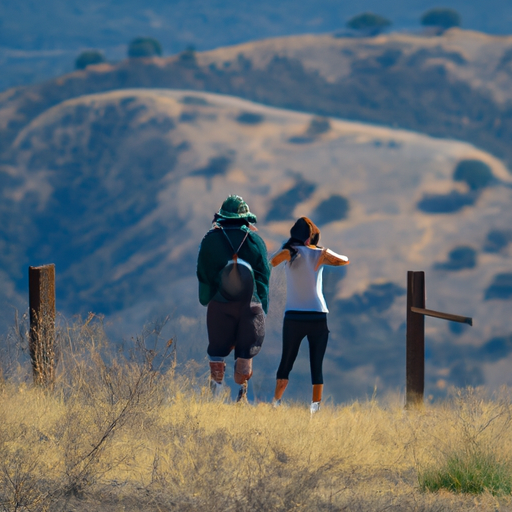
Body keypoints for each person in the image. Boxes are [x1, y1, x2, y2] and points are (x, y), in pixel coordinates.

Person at [270, 216, 349, 413]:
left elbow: (271, 262)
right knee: (317, 364)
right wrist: (324, 253)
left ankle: (276, 403)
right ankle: (315, 408)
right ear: (311, 237)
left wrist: (286, 251)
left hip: (294, 316)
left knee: (286, 361)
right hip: (317, 314)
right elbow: (345, 260)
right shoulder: (319, 253)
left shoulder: (290, 252)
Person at [197, 195, 271, 402]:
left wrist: (208, 298)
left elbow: (203, 272)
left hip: (220, 304)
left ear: (222, 217)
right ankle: (242, 392)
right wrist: (261, 304)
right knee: (245, 351)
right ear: (245, 218)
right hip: (250, 306)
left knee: (217, 352)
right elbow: (264, 276)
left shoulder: (210, 239)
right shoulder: (256, 241)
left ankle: (215, 395)